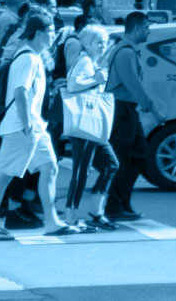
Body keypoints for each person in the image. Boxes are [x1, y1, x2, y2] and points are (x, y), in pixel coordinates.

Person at [0, 15, 81, 240]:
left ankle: (52, 221)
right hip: (23, 126)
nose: (54, 35)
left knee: (50, 167)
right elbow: (20, 93)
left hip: (33, 126)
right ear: (38, 33)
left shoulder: (32, 56)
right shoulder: (28, 59)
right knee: (4, 174)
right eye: (51, 31)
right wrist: (27, 124)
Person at [59, 25, 120, 231]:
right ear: (87, 43)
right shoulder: (85, 61)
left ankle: (95, 213)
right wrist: (95, 79)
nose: (103, 46)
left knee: (110, 165)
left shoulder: (90, 61)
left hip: (92, 124)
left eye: (104, 42)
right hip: (85, 122)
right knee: (82, 170)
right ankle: (72, 217)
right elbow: (73, 85)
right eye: (98, 42)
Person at [102, 12, 154, 222]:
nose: (149, 31)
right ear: (137, 28)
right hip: (121, 109)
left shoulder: (129, 51)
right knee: (123, 160)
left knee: (140, 154)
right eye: (147, 27)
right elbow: (134, 85)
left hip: (127, 110)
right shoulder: (125, 53)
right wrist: (153, 109)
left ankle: (122, 202)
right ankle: (114, 206)